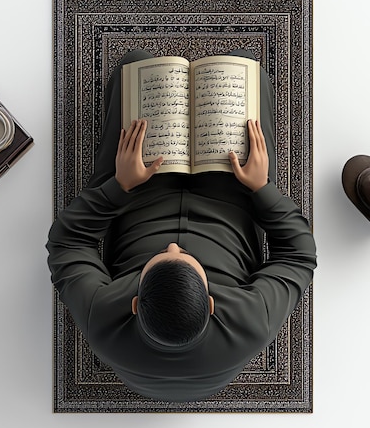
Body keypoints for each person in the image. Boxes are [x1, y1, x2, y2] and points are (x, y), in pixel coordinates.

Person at [46, 49, 317, 402]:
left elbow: (66, 244)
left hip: (137, 197)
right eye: (185, 255)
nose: (174, 245)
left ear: (133, 303)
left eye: (163, 254)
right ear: (211, 302)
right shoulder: (253, 322)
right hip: (231, 201)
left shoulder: (102, 319)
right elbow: (300, 255)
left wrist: (121, 185)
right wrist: (260, 188)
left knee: (135, 63)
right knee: (242, 65)